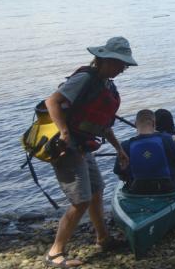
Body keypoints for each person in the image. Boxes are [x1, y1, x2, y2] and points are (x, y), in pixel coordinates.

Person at [43, 36, 136, 268]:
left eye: (124, 65)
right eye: (119, 63)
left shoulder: (107, 85)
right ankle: (54, 254)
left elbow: (103, 124)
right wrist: (64, 132)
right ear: (104, 59)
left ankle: (103, 239)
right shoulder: (85, 78)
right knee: (80, 200)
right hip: (66, 147)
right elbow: (52, 102)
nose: (122, 68)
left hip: (84, 145)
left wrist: (119, 149)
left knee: (96, 190)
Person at [114, 109, 175, 194]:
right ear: (154, 123)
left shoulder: (125, 145)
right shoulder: (166, 139)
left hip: (137, 192)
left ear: (135, 124)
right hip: (167, 190)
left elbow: (121, 176)